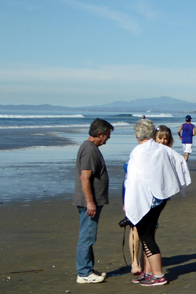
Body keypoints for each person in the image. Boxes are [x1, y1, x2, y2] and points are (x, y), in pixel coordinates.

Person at [125, 119, 189, 286]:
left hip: (148, 198)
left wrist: (129, 203)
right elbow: (180, 161)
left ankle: (159, 275)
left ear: (136, 135)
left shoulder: (139, 151)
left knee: (146, 236)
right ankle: (148, 272)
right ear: (153, 134)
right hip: (161, 198)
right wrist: (174, 183)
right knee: (149, 235)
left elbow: (132, 180)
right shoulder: (160, 149)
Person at [73, 118, 114, 283]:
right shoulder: (90, 150)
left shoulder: (91, 148)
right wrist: (90, 202)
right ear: (99, 134)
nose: (108, 139)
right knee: (87, 236)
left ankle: (87, 268)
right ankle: (83, 273)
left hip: (91, 201)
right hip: (88, 203)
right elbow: (85, 178)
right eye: (107, 135)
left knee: (89, 235)